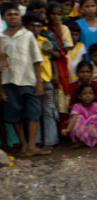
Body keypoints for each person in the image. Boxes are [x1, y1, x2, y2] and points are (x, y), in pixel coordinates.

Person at [0, 2, 50, 157]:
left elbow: (37, 60)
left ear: (20, 16)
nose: (13, 17)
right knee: (15, 116)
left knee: (34, 113)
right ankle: (23, 146)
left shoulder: (27, 35)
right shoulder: (1, 39)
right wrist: (0, 88)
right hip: (9, 82)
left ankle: (32, 146)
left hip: (29, 81)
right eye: (9, 14)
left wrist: (39, 83)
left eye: (16, 14)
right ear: (3, 18)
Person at [24, 11, 61, 150]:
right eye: (32, 26)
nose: (36, 29)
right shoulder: (23, 42)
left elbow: (57, 56)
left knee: (48, 111)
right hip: (29, 82)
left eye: (39, 26)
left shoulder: (45, 40)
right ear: (26, 26)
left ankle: (50, 141)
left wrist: (50, 52)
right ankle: (36, 141)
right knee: (34, 112)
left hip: (46, 80)